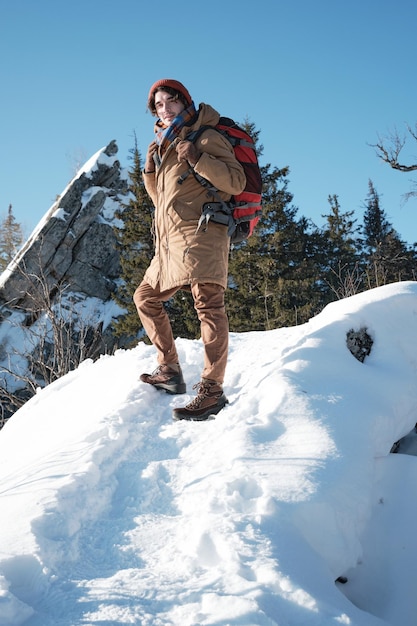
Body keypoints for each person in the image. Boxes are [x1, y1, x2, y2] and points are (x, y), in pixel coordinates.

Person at [134, 78, 246, 421]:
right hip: (170, 243)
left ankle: (212, 391)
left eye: (170, 102)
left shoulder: (206, 136)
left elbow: (235, 182)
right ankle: (169, 371)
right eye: (158, 106)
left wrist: (197, 157)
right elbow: (163, 201)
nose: (164, 110)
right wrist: (151, 171)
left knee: (209, 307)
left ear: (185, 102)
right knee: (145, 297)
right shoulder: (164, 146)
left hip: (203, 235)